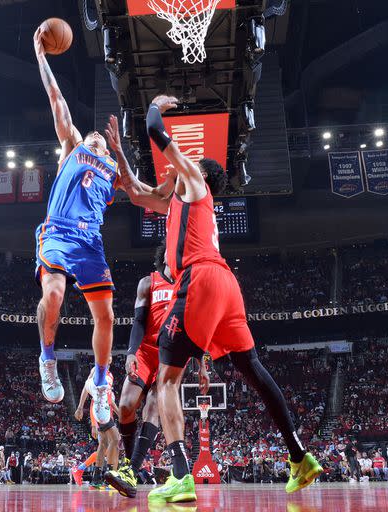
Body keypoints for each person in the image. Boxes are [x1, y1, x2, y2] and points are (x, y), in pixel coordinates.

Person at [105, 97, 322, 503]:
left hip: (201, 278)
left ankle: (181, 476)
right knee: (252, 368)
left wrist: (154, 105)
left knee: (168, 381)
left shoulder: (194, 181)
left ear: (199, 172)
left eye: (183, 165)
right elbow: (136, 193)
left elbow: (155, 130)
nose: (173, 168)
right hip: (226, 285)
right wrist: (118, 152)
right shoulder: (177, 201)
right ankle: (299, 457)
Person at [31, 26, 118, 424]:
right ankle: (47, 357)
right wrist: (42, 56)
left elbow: (143, 192)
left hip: (91, 243)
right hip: (58, 233)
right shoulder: (74, 146)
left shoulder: (114, 169)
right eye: (94, 131)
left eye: (102, 134)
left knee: (108, 317)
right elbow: (57, 101)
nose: (96, 131)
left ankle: (101, 384)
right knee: (54, 296)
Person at [106, 243, 210, 498]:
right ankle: (130, 465)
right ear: (163, 254)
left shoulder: (186, 286)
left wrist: (202, 364)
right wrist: (131, 353)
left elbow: (194, 328)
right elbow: (139, 322)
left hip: (171, 354)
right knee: (127, 405)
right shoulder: (147, 283)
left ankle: (130, 470)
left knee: (154, 403)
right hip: (145, 351)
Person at [74, 365, 120, 488]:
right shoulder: (96, 370)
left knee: (104, 446)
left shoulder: (110, 375)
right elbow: (89, 393)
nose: (109, 359)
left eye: (110, 357)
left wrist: (120, 414)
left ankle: (96, 478)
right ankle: (109, 477)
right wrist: (93, 424)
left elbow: (110, 401)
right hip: (100, 415)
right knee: (114, 441)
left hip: (106, 414)